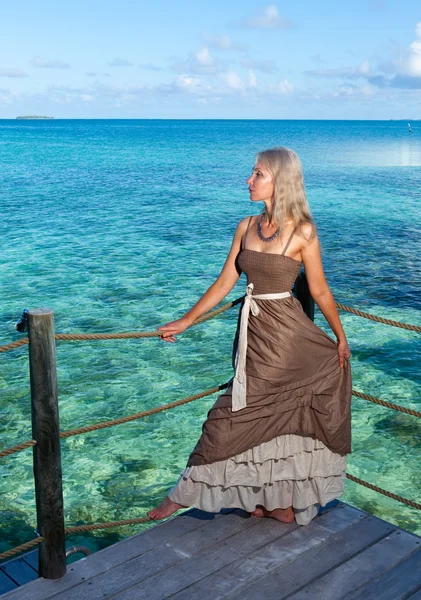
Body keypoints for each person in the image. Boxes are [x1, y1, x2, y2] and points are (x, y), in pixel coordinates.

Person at [148, 147, 352, 526]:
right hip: (253, 335)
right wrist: (187, 320)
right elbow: (226, 280)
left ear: (280, 181)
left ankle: (184, 494)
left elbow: (320, 290)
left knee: (229, 416)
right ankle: (269, 499)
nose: (249, 180)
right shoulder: (245, 226)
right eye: (252, 173)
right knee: (255, 415)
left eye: (258, 174)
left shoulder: (303, 231)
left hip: (287, 339)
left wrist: (339, 338)